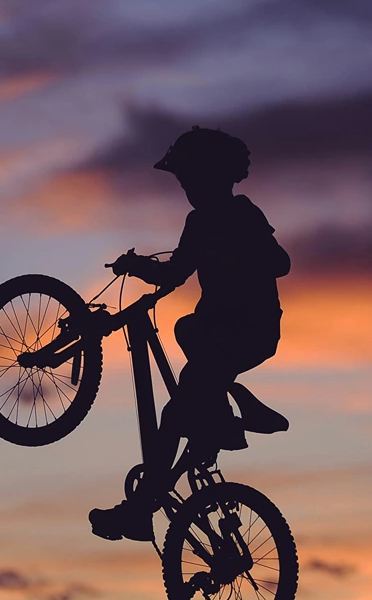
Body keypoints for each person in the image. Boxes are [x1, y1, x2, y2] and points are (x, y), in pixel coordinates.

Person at [88, 126, 291, 542]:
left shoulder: (243, 214)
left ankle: (142, 510)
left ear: (214, 176)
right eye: (182, 182)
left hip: (250, 330)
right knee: (189, 373)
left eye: (190, 179)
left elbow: (280, 262)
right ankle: (214, 432)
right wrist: (139, 266)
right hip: (216, 336)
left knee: (183, 368)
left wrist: (240, 251)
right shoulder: (197, 223)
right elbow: (174, 273)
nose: (186, 189)